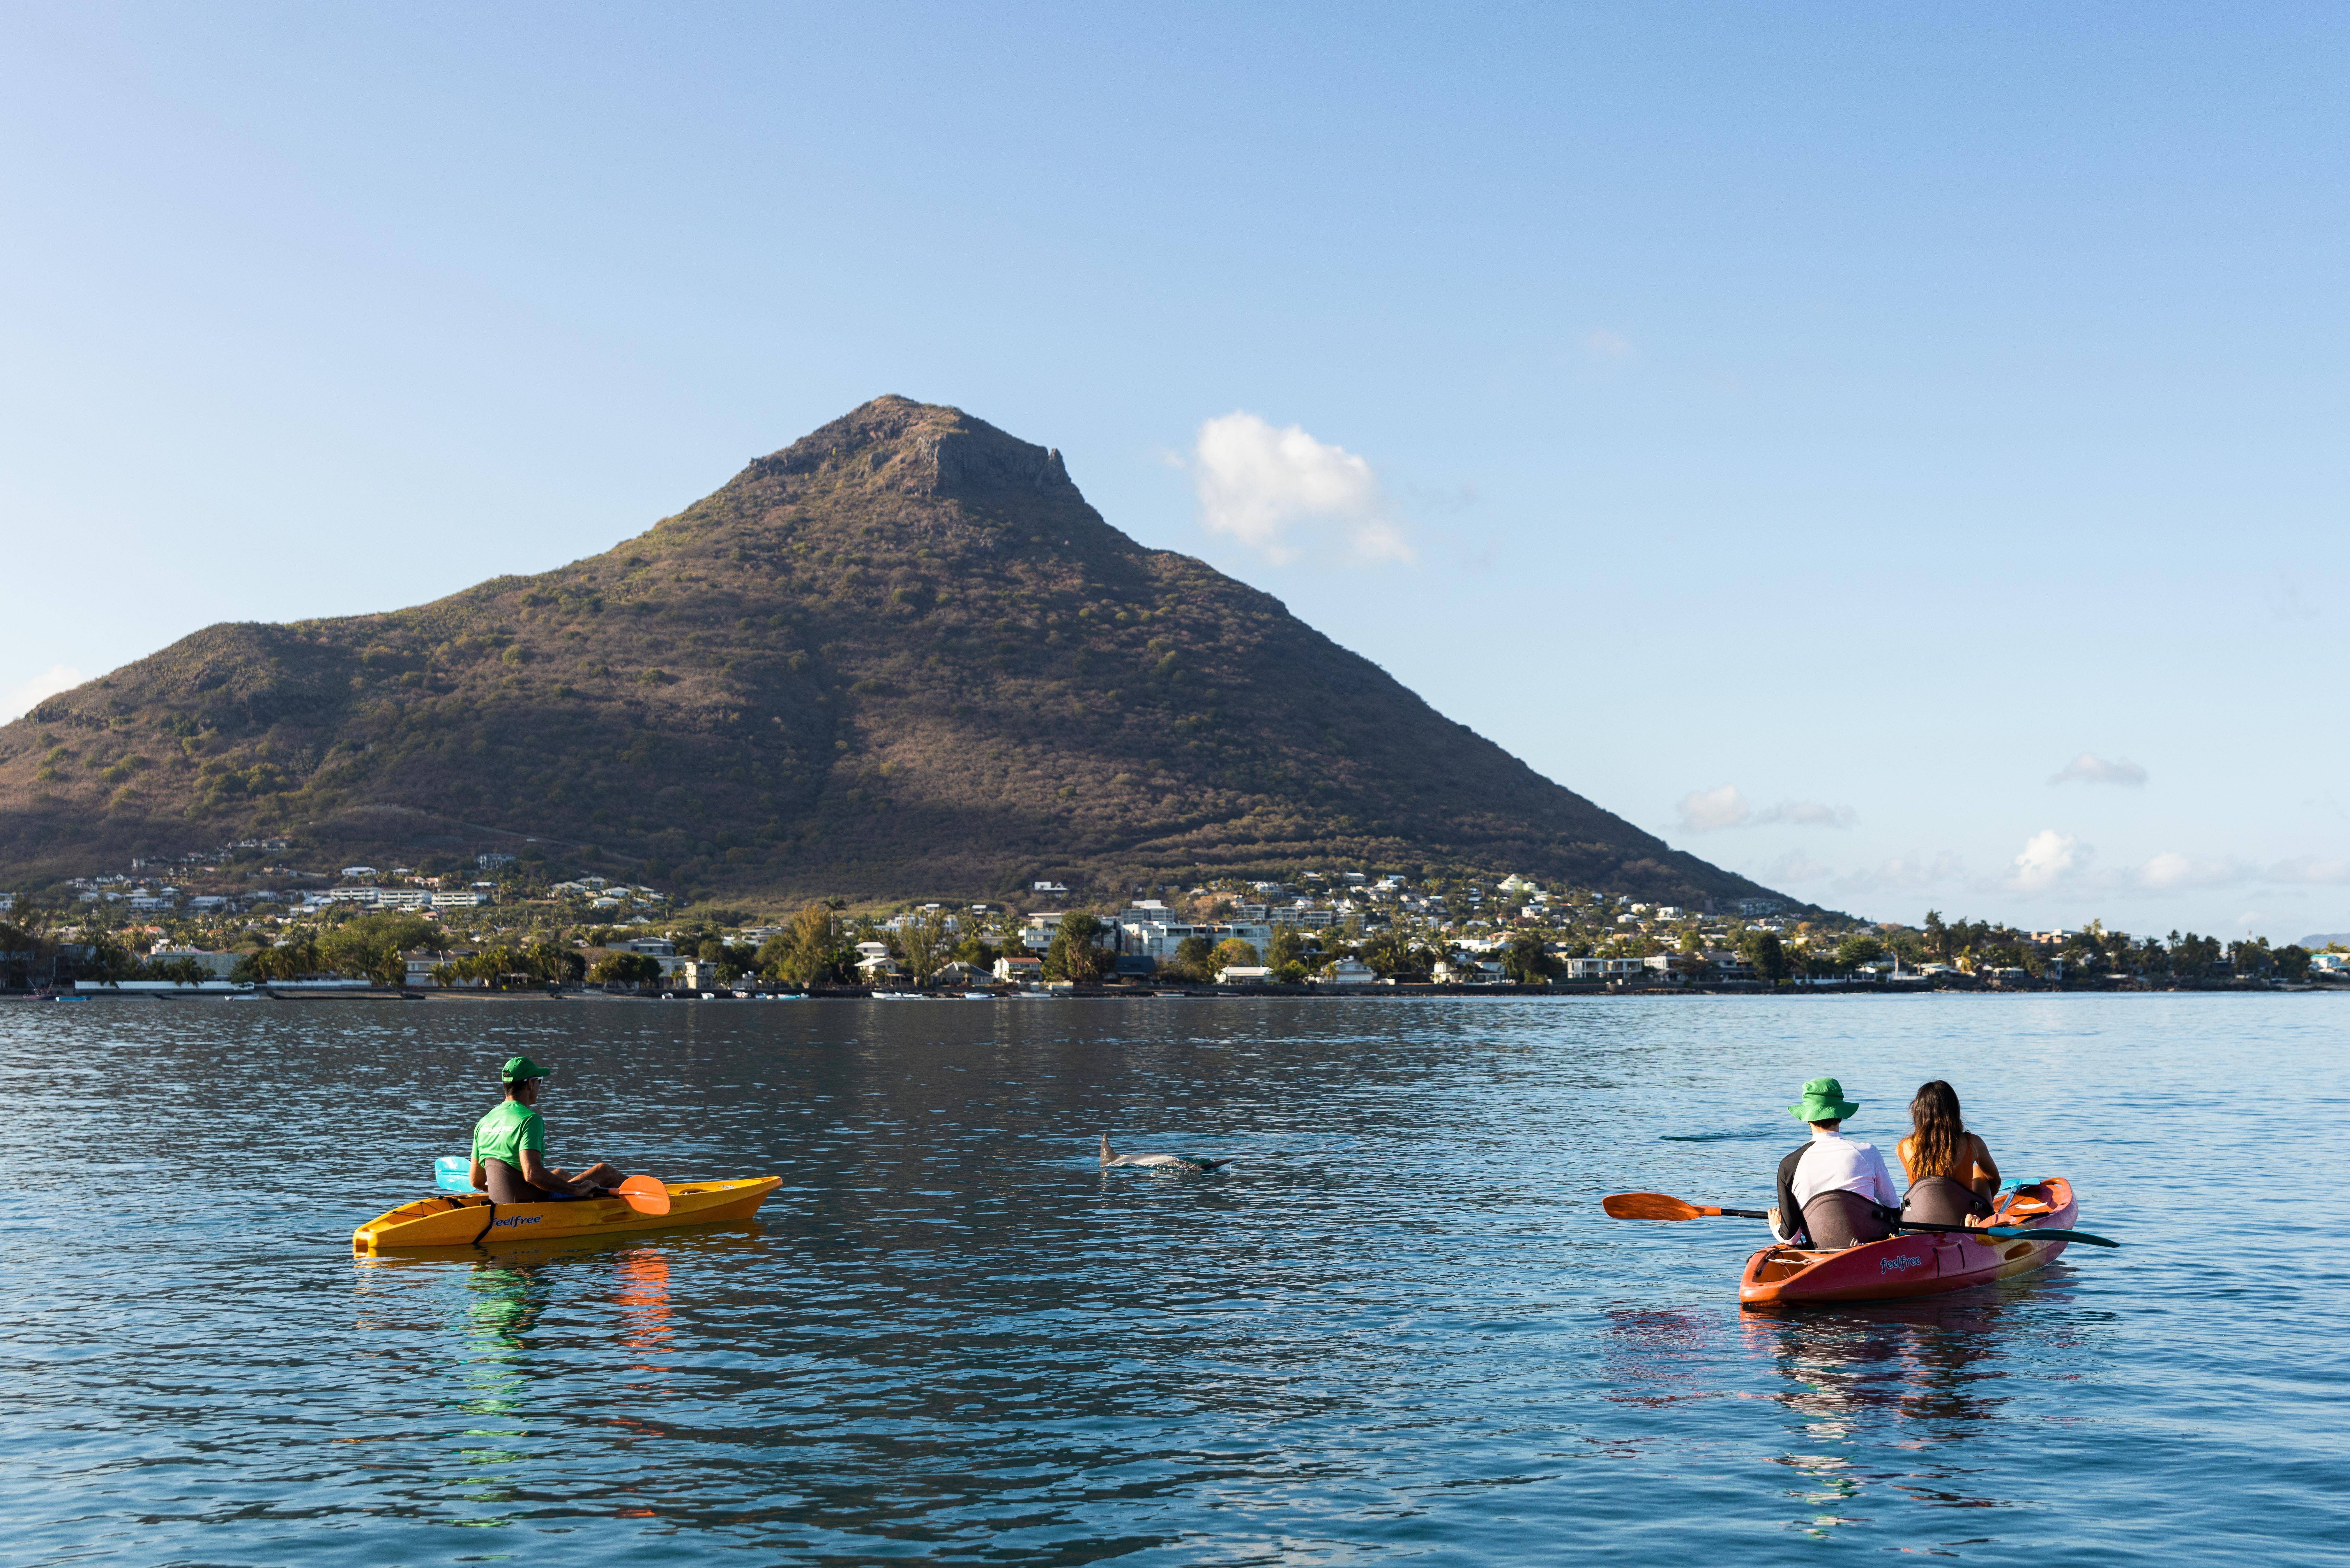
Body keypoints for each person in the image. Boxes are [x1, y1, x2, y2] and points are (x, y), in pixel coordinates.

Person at [468, 1055, 632, 1203]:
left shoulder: (484, 1122)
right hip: (531, 1206)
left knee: (560, 1174)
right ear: (531, 1084)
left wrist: (502, 1185)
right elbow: (533, 1174)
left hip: (502, 1201)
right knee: (605, 1171)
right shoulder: (529, 1120)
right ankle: (652, 1205)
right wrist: (576, 1190)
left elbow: (476, 1181)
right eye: (539, 1080)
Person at [1767, 1076, 1901, 1249]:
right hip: (1869, 1248)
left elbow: (1791, 1237)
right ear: (1841, 1115)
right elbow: (1893, 1210)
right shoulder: (1869, 1153)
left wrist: (1777, 1226)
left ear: (1808, 1118)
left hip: (1822, 1250)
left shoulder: (1789, 1165)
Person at [1896, 1079, 2001, 1227]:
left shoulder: (1904, 1147)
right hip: (1965, 1221)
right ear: (1954, 1111)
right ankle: (1983, 1218)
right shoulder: (1973, 1143)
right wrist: (1986, 1205)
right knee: (1979, 1171)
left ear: (1918, 1113)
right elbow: (1996, 1181)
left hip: (1918, 1222)